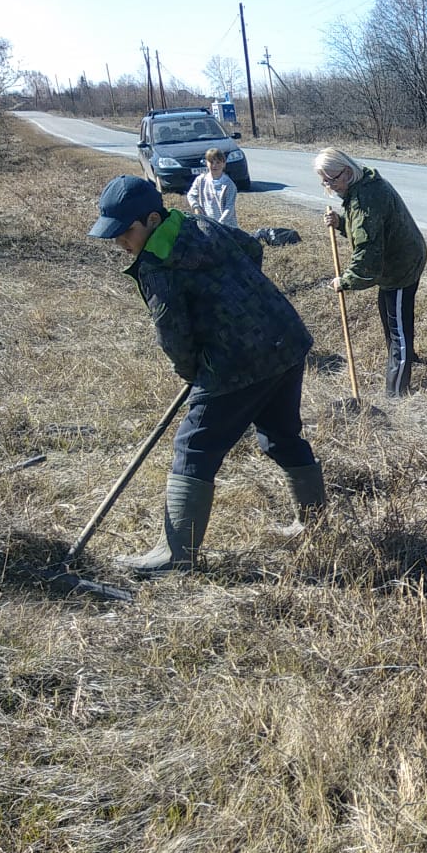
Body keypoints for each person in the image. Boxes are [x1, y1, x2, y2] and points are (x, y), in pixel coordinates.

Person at [87, 175, 325, 574]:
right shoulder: (201, 224)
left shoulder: (156, 265)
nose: (120, 243)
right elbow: (250, 247)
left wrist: (192, 370)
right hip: (285, 338)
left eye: (125, 232)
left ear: (150, 219)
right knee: (282, 435)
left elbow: (174, 336)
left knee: (193, 448)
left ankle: (176, 554)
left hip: (235, 365)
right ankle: (314, 526)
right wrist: (239, 301)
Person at [314, 148, 427, 399]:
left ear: (347, 171)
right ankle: (405, 358)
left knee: (398, 325)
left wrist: (346, 281)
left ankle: (396, 391)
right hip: (397, 259)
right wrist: (341, 223)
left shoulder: (367, 198)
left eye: (331, 179)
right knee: (391, 317)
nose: (329, 186)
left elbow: (367, 252)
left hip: (401, 266)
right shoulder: (360, 186)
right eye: (324, 180)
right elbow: (366, 230)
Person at [186, 147, 238, 228]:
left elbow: (229, 208)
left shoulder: (229, 184)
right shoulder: (201, 180)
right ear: (206, 163)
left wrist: (219, 225)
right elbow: (190, 195)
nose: (214, 165)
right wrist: (195, 206)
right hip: (206, 224)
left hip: (226, 227)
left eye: (218, 162)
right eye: (211, 162)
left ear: (224, 164)